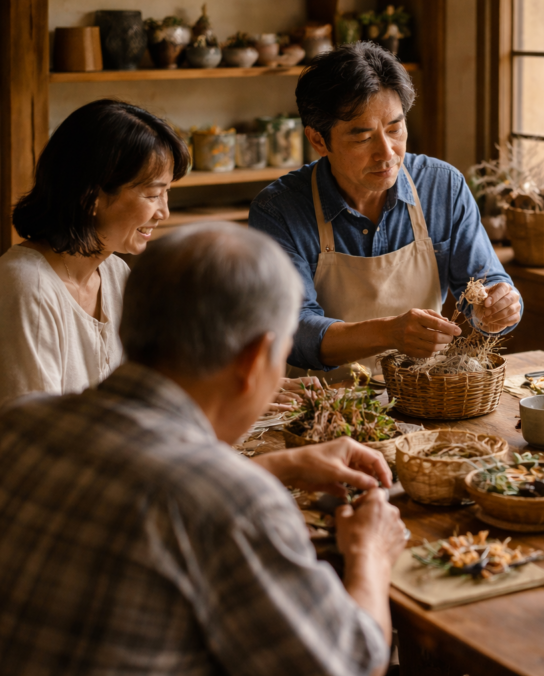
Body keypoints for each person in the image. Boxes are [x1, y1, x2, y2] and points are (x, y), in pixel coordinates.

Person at [0, 223, 406, 675]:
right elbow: (349, 663)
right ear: (254, 361)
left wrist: (276, 466)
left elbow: (149, 486)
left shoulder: (18, 423)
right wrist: (371, 552)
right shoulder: (232, 502)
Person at [249, 42, 523, 382]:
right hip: (321, 407)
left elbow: (486, 285)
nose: (387, 152)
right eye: (362, 137)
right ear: (318, 140)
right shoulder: (278, 209)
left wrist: (500, 308)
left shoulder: (442, 187)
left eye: (395, 129)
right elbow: (294, 332)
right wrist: (389, 333)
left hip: (422, 398)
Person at [0, 99, 189, 406]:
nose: (164, 212)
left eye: (167, 193)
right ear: (91, 197)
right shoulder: (27, 287)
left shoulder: (115, 273)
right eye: (153, 194)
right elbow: (34, 437)